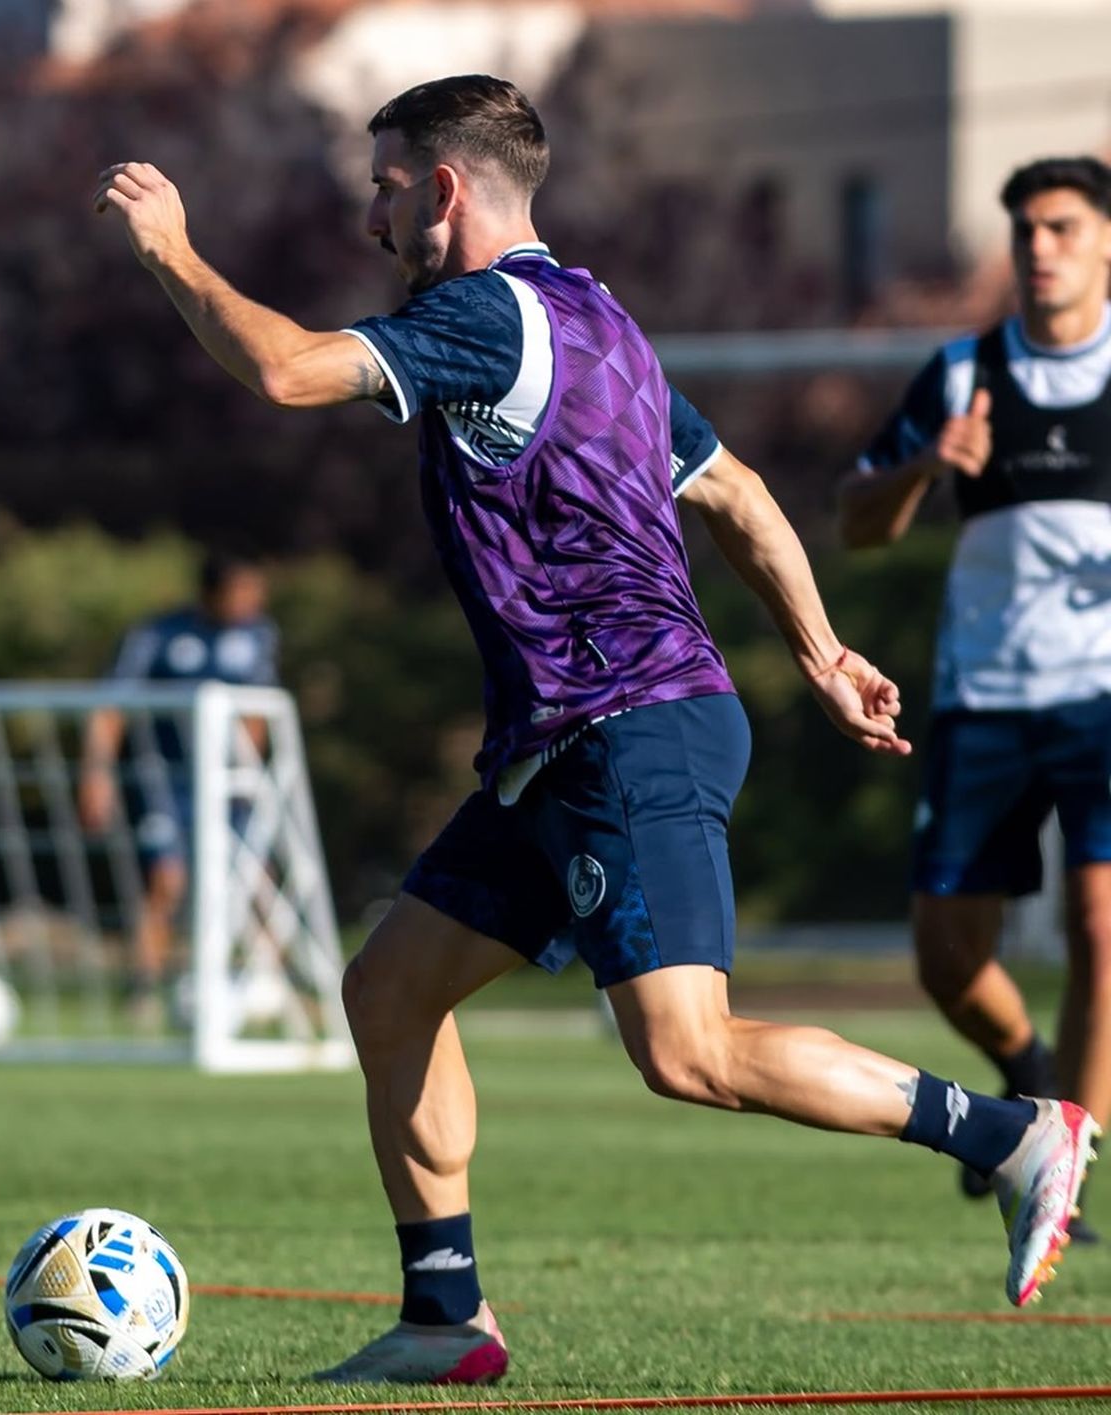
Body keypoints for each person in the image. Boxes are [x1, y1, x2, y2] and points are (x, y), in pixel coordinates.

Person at [94, 79, 1096, 1383]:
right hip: (567, 738)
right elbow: (733, 491)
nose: (371, 210)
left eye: (388, 184)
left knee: (687, 1048)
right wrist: (822, 650)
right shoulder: (602, 323)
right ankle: (445, 1316)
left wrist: (172, 251)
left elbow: (285, 366)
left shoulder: (479, 316)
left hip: (626, 720)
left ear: (447, 189)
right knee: (389, 987)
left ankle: (1011, 1132)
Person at [838, 155, 1111, 1244]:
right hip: (982, 700)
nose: (1039, 248)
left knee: (1101, 924)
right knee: (947, 954)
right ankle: (1028, 1081)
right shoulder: (961, 375)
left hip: (1103, 696)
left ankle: (1071, 1165)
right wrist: (926, 469)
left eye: (1060, 227)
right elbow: (857, 521)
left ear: (1103, 243)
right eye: (1025, 230)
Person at [78, 549, 278, 1025]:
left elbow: (257, 713)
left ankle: (271, 986)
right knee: (167, 880)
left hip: (230, 783)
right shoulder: (156, 635)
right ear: (211, 593)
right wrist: (96, 773)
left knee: (257, 877)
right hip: (164, 779)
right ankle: (142, 990)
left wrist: (251, 775)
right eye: (241, 592)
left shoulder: (258, 636)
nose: (251, 602)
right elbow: (110, 707)